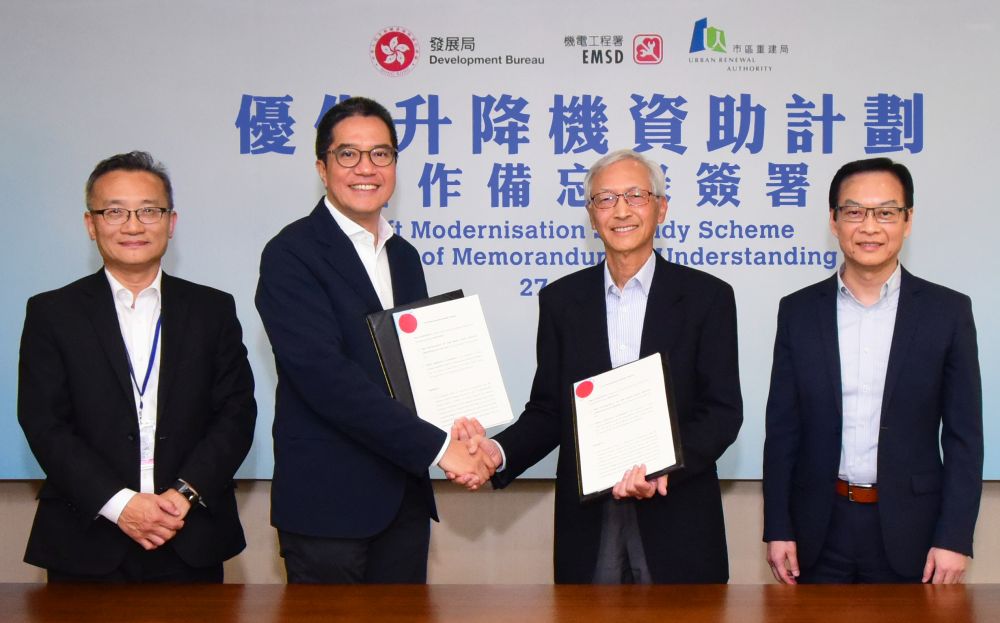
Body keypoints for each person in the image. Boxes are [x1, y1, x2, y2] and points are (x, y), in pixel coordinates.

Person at [453, 149, 743, 583]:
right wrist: (497, 452)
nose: (620, 210)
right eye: (605, 199)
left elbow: (721, 412)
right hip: (589, 519)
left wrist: (660, 467)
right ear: (591, 216)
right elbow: (550, 410)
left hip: (676, 509)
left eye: (635, 196)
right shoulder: (561, 301)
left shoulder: (708, 297)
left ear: (661, 209)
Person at [255, 96, 495, 584]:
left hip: (401, 500)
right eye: (348, 154)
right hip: (329, 510)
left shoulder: (404, 256)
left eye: (381, 154)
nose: (366, 168)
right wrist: (438, 448)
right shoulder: (291, 254)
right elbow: (325, 378)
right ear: (322, 167)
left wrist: (464, 433)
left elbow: (415, 374)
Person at [18, 151, 257, 583]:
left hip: (190, 533)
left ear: (171, 221)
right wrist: (119, 504)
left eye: (148, 210)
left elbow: (236, 415)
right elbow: (44, 423)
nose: (133, 225)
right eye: (115, 211)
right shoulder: (53, 313)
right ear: (91, 225)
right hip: (86, 539)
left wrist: (183, 495)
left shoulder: (212, 309)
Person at [763, 157, 983, 584]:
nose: (869, 226)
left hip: (914, 530)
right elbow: (783, 430)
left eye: (885, 212)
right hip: (818, 528)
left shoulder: (948, 312)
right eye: (854, 212)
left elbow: (964, 437)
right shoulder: (798, 312)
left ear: (908, 220)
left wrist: (954, 536)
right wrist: (778, 526)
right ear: (834, 220)